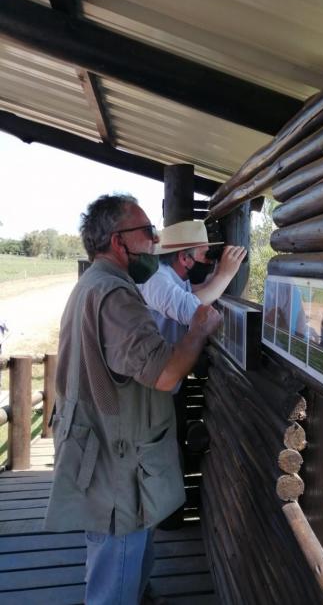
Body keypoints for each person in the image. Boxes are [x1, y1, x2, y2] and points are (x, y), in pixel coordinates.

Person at [44, 195, 221, 605]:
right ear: (118, 241)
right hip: (116, 461)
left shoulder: (94, 283)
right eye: (146, 232)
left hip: (101, 449)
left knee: (123, 560)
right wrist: (198, 329)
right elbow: (165, 374)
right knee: (115, 574)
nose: (155, 240)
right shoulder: (116, 296)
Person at [139, 220, 246, 451]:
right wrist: (226, 275)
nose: (208, 260)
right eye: (205, 254)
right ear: (184, 258)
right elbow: (192, 310)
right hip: (150, 393)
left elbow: (196, 291)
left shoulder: (174, 278)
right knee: (159, 457)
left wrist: (218, 272)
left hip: (163, 384)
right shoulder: (157, 279)